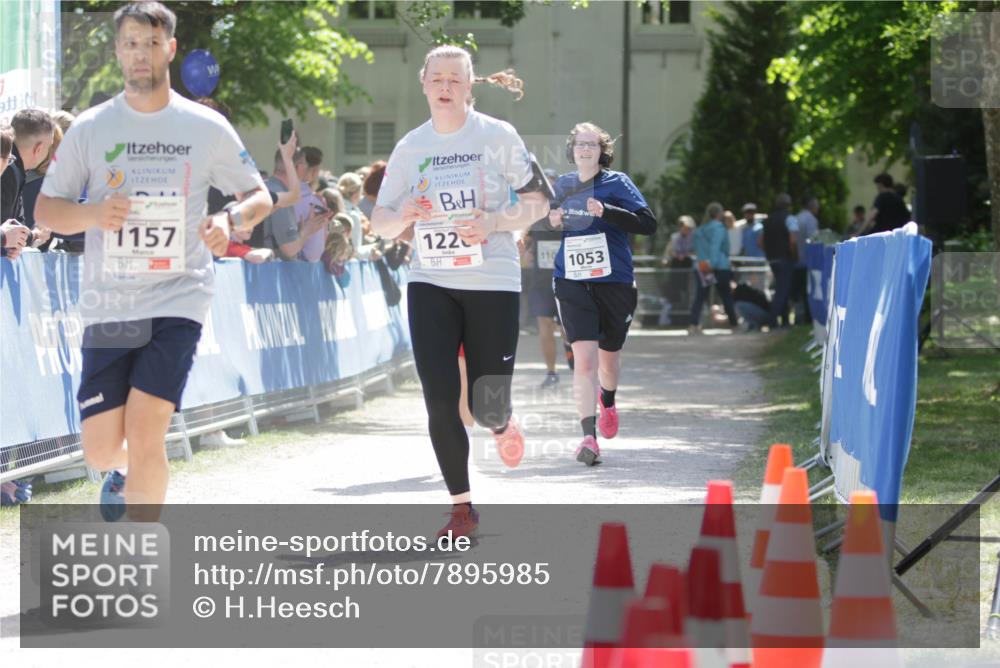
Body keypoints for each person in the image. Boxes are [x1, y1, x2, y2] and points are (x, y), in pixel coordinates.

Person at [34, 1, 273, 522]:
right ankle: (125, 470)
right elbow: (46, 210)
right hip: (109, 301)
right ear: (118, 51)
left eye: (150, 42)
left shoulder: (203, 126)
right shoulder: (91, 128)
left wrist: (229, 221)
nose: (140, 53)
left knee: (148, 432)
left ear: (170, 48)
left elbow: (259, 195)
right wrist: (95, 213)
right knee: (100, 449)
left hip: (179, 294)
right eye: (130, 43)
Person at [371, 44, 550, 538]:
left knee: (486, 399)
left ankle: (501, 421)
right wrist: (404, 214)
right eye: (438, 78)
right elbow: (380, 220)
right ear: (424, 85)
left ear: (470, 87)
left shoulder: (497, 135)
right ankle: (461, 508)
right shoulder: (410, 148)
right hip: (431, 279)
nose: (446, 86)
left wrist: (495, 220)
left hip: (491, 279)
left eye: (456, 79)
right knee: (440, 397)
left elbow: (538, 200)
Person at [549, 122, 657, 466]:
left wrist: (607, 212)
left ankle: (607, 401)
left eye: (592, 145)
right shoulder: (563, 185)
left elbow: (648, 224)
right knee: (584, 361)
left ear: (602, 150)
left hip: (615, 282)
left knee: (608, 362)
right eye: (579, 144)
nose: (585, 150)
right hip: (572, 279)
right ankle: (587, 437)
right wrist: (550, 219)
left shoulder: (618, 183)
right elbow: (546, 218)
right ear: (572, 149)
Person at [689, 202, 737, 333]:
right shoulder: (720, 229)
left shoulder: (699, 230)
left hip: (702, 266)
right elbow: (718, 248)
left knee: (700, 296)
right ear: (719, 214)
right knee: (726, 296)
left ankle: (693, 325)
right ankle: (734, 324)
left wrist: (706, 264)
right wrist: (713, 264)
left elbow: (698, 250)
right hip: (719, 267)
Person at [1, 108, 55, 223]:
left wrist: (33, 236)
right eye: (49, 147)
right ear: (38, 149)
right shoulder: (9, 171)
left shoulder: (16, 170)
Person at [759, 193, 798, 328]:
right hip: (785, 258)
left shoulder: (768, 220)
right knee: (782, 290)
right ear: (788, 205)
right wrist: (794, 255)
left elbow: (760, 242)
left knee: (782, 289)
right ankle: (772, 320)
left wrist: (770, 252)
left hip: (772, 259)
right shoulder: (790, 219)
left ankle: (785, 321)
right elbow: (793, 241)